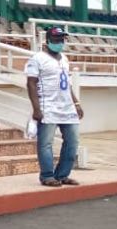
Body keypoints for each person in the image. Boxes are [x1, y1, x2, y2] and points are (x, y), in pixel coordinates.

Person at [26, 26, 83, 187]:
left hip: (67, 108)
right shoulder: (37, 58)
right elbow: (31, 84)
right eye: (56, 39)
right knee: (45, 143)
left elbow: (67, 84)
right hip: (47, 107)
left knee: (72, 142)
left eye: (62, 39)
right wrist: (36, 109)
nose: (59, 42)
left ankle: (62, 175)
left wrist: (76, 103)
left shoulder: (64, 58)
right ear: (48, 41)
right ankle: (47, 176)